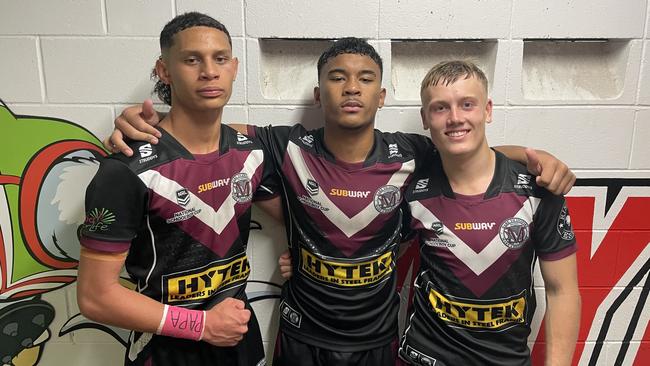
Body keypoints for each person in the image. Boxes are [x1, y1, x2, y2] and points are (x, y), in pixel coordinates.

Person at [106, 38, 576, 366]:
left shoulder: (412, 154)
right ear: (318, 93)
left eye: (365, 78)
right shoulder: (283, 146)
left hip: (380, 340)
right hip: (301, 337)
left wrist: (537, 159)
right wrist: (147, 122)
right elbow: (203, 132)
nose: (351, 86)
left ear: (382, 95)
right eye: (338, 77)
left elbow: (468, 150)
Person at [76, 12, 281, 366]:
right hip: (167, 350)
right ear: (164, 70)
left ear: (233, 67)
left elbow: (309, 213)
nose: (209, 71)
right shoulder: (125, 168)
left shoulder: (253, 151)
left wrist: (307, 254)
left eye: (220, 59)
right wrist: (201, 325)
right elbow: (95, 296)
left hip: (238, 340)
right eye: (191, 59)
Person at [397, 61, 580, 366]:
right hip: (425, 357)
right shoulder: (412, 187)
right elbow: (376, 255)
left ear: (488, 110)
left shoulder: (537, 190)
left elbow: (562, 291)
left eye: (467, 104)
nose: (455, 118)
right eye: (440, 108)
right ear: (426, 118)